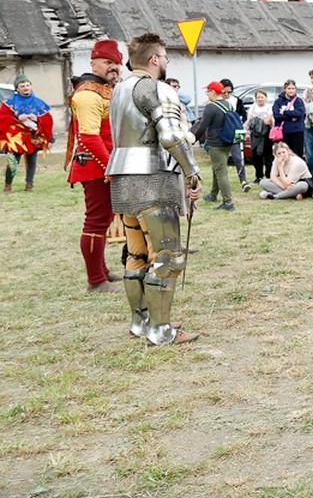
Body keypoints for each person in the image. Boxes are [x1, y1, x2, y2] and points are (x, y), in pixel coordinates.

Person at [106, 33, 202, 344]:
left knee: (136, 254)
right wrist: (192, 171)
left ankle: (142, 321)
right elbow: (171, 136)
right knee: (166, 256)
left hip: (124, 177)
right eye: (165, 58)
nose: (165, 63)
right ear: (154, 59)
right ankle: (161, 330)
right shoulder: (156, 88)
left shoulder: (119, 90)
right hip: (152, 177)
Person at [66, 39, 124, 292]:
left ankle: (102, 272)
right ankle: (96, 281)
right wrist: (111, 168)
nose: (113, 67)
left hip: (104, 164)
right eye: (107, 62)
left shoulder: (104, 89)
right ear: (93, 64)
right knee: (96, 222)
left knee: (103, 220)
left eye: (117, 63)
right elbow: (89, 137)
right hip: (96, 166)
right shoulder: (88, 94)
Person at [190, 81, 236, 211]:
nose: (207, 94)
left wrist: (193, 139)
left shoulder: (211, 107)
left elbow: (202, 126)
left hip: (215, 143)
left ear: (213, 92)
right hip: (227, 141)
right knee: (217, 168)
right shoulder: (228, 104)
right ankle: (213, 194)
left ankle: (228, 202)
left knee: (221, 171)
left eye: (208, 91)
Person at [2, 73, 52, 192]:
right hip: (16, 137)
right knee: (13, 161)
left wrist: (37, 119)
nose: (26, 88)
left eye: (27, 85)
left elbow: (48, 119)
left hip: (33, 136)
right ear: (17, 88)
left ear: (31, 86)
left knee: (32, 161)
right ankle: (8, 185)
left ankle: (29, 184)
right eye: (22, 86)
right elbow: (2, 118)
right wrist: (17, 118)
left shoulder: (38, 102)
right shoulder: (10, 102)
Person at [219, 79, 251, 192]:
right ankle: (220, 183)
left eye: (229, 92)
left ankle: (243, 181)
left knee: (238, 157)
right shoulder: (217, 102)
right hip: (221, 133)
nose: (227, 94)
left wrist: (242, 126)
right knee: (221, 160)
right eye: (224, 92)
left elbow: (244, 115)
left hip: (234, 133)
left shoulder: (236, 101)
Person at [245, 89, 274, 183]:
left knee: (268, 155)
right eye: (258, 97)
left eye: (262, 97)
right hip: (255, 134)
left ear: (265, 98)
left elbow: (268, 120)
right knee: (256, 155)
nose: (260, 99)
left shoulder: (269, 107)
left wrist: (256, 121)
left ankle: (269, 175)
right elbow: (249, 119)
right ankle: (259, 176)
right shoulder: (252, 107)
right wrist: (248, 123)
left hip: (266, 134)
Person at [272, 80, 306, 157]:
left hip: (296, 132)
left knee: (297, 155)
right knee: (284, 155)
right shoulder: (278, 102)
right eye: (289, 88)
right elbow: (277, 115)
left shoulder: (298, 101)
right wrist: (291, 118)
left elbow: (300, 113)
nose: (291, 90)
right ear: (285, 89)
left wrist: (285, 112)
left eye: (293, 88)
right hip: (283, 132)